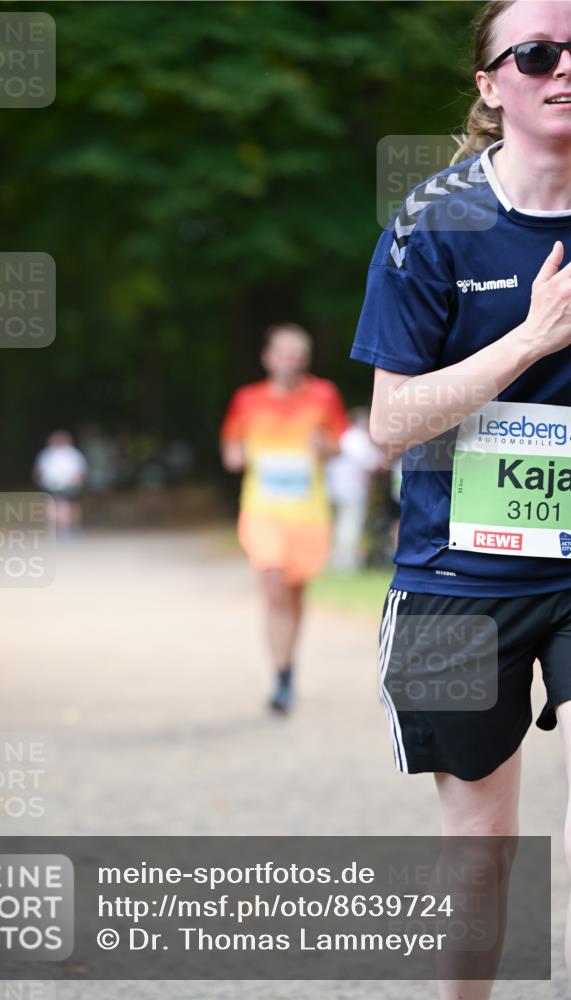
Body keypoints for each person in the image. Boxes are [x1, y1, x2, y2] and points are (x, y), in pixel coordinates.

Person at [350, 2, 571, 995]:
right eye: (535, 53)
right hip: (452, 578)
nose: (561, 67)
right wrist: (528, 341)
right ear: (490, 84)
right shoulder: (432, 224)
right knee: (481, 848)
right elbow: (389, 423)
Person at [220, 323, 349, 713]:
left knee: (294, 594)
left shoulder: (324, 395)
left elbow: (340, 445)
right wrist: (235, 455)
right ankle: (279, 676)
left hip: (308, 514)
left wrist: (323, 446)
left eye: (297, 353)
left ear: (305, 360)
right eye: (282, 352)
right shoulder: (247, 399)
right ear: (267, 358)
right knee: (272, 585)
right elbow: (230, 447)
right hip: (262, 510)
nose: (289, 359)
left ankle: (288, 670)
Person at [325, 407, 387, 572]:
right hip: (351, 489)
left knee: (338, 524)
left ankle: (334, 560)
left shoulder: (343, 436)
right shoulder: (358, 438)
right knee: (350, 525)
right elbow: (372, 462)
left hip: (334, 487)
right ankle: (345, 563)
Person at [32, 430, 87, 535]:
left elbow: (80, 472)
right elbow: (38, 471)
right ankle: (60, 528)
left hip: (68, 485)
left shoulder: (72, 454)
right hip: (53, 485)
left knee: (65, 506)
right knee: (58, 506)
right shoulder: (47, 454)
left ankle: (65, 527)